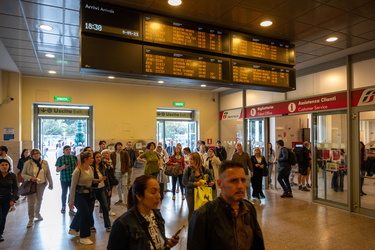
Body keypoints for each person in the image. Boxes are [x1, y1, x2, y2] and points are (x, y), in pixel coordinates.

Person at [187, 160, 264, 250]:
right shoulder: (203, 215)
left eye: (243, 180)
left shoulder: (249, 209)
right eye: (234, 181)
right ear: (220, 184)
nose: (240, 186)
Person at [107, 175, 180, 249]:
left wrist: (167, 242)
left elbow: (153, 240)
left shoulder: (156, 214)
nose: (159, 196)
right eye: (153, 192)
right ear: (139, 196)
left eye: (159, 191)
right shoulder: (122, 224)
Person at [68, 151, 106, 245]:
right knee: (85, 215)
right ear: (85, 160)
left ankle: (73, 228)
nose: (93, 160)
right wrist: (71, 200)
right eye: (91, 158)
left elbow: (91, 180)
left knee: (85, 212)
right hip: (79, 195)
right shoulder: (78, 170)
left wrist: (98, 180)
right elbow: (73, 186)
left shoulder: (91, 168)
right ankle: (84, 236)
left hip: (89, 195)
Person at [22, 148, 53, 228]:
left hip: (41, 184)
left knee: (39, 200)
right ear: (31, 155)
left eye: (37, 153)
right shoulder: (28, 163)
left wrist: (51, 183)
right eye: (34, 154)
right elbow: (23, 174)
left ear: (40, 154)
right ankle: (30, 219)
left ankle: (37, 213)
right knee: (31, 202)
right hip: (32, 184)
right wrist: (31, 178)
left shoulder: (44, 163)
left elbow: (48, 173)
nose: (36, 155)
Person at [182, 152, 214, 220]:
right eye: (189, 159)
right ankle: (191, 228)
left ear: (197, 160)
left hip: (200, 192)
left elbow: (209, 172)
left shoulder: (202, 168)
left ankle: (198, 226)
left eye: (192, 159)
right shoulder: (188, 170)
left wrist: (212, 181)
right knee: (191, 210)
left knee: (200, 210)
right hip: (190, 192)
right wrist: (195, 184)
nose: (190, 161)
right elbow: (184, 182)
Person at [90, 151, 111, 232]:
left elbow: (106, 178)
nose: (99, 159)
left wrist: (108, 189)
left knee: (105, 207)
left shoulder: (103, 166)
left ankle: (108, 225)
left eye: (100, 157)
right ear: (94, 158)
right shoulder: (91, 167)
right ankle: (91, 225)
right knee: (91, 208)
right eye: (97, 157)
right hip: (93, 190)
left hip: (102, 189)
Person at [55, 145, 78, 215]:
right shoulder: (60, 159)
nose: (68, 150)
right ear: (64, 151)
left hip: (72, 179)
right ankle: (63, 206)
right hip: (64, 179)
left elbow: (77, 167)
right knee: (64, 193)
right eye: (67, 149)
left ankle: (71, 208)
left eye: (69, 149)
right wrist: (62, 167)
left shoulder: (74, 158)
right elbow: (57, 170)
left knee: (71, 194)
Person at [0, 159, 18, 242]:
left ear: (9, 166)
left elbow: (15, 188)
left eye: (6, 165)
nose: (4, 167)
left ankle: (0, 233)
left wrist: (13, 199)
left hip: (7, 199)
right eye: (2, 165)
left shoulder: (12, 176)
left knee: (3, 216)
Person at [102, 149, 116, 216]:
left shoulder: (110, 162)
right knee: (104, 196)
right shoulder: (102, 163)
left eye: (109, 153)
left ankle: (108, 209)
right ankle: (103, 211)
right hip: (105, 181)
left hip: (110, 180)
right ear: (103, 155)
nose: (108, 154)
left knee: (109, 195)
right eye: (107, 153)